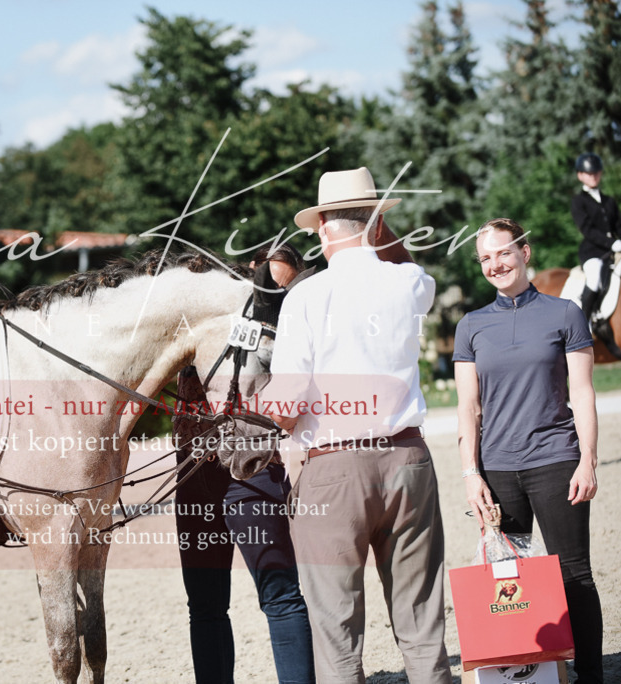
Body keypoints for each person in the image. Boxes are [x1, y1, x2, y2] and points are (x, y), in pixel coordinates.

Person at [266, 167, 449, 683]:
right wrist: (376, 227)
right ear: (375, 222)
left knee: (337, 636)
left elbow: (289, 398)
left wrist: (265, 410)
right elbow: (414, 271)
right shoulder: (409, 282)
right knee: (422, 624)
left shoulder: (306, 295)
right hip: (408, 461)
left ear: (322, 226)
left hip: (335, 468)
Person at [454, 218, 604, 683]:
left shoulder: (565, 314)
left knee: (574, 573)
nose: (495, 264)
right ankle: (526, 672)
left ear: (525, 252)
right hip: (497, 470)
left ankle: (591, 674)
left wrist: (588, 459)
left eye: (503, 253)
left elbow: (582, 393)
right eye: (485, 258)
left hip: (557, 461)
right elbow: (468, 407)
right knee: (506, 575)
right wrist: (470, 474)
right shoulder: (471, 326)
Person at [173, 245, 314, 684]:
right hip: (194, 475)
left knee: (279, 595)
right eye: (266, 280)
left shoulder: (281, 326)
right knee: (205, 605)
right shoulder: (196, 326)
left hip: (253, 471)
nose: (273, 290)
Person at [571, 152, 621, 358]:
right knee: (594, 278)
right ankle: (586, 321)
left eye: (596, 172)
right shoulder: (578, 201)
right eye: (588, 173)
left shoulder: (609, 201)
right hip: (593, 251)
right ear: (580, 175)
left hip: (614, 250)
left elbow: (619, 227)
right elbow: (587, 230)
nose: (593, 176)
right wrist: (612, 243)